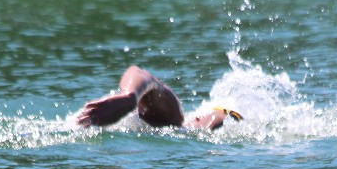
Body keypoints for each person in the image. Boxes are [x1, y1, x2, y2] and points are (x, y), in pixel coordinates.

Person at [75, 66, 242, 130]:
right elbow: (141, 74)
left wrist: (130, 98)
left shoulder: (177, 123)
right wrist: (130, 97)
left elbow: (143, 76)